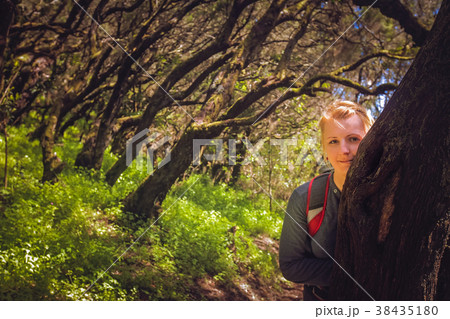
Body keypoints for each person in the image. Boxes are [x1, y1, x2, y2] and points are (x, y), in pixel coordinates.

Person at [279, 100, 374, 300]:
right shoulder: (304, 197)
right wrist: (353, 274)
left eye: (354, 139)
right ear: (324, 148)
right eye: (333, 141)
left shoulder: (395, 192)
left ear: (371, 140)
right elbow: (290, 265)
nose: (344, 150)